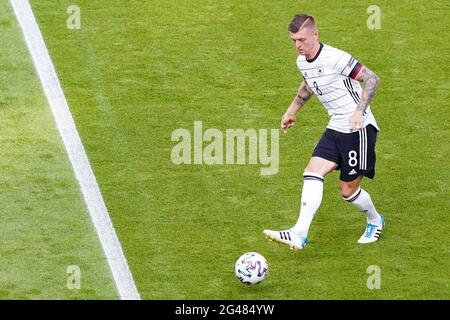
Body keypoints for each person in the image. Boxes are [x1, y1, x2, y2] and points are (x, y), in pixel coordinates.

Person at [263, 13, 384, 250]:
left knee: (347, 191)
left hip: (358, 129)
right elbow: (309, 83)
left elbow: (372, 79)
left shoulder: (336, 58)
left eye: (302, 39)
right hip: (335, 126)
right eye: (294, 41)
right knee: (312, 171)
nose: (298, 45)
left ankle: (375, 219)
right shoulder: (302, 61)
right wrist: (292, 110)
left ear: (315, 34)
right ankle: (299, 233)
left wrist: (359, 112)